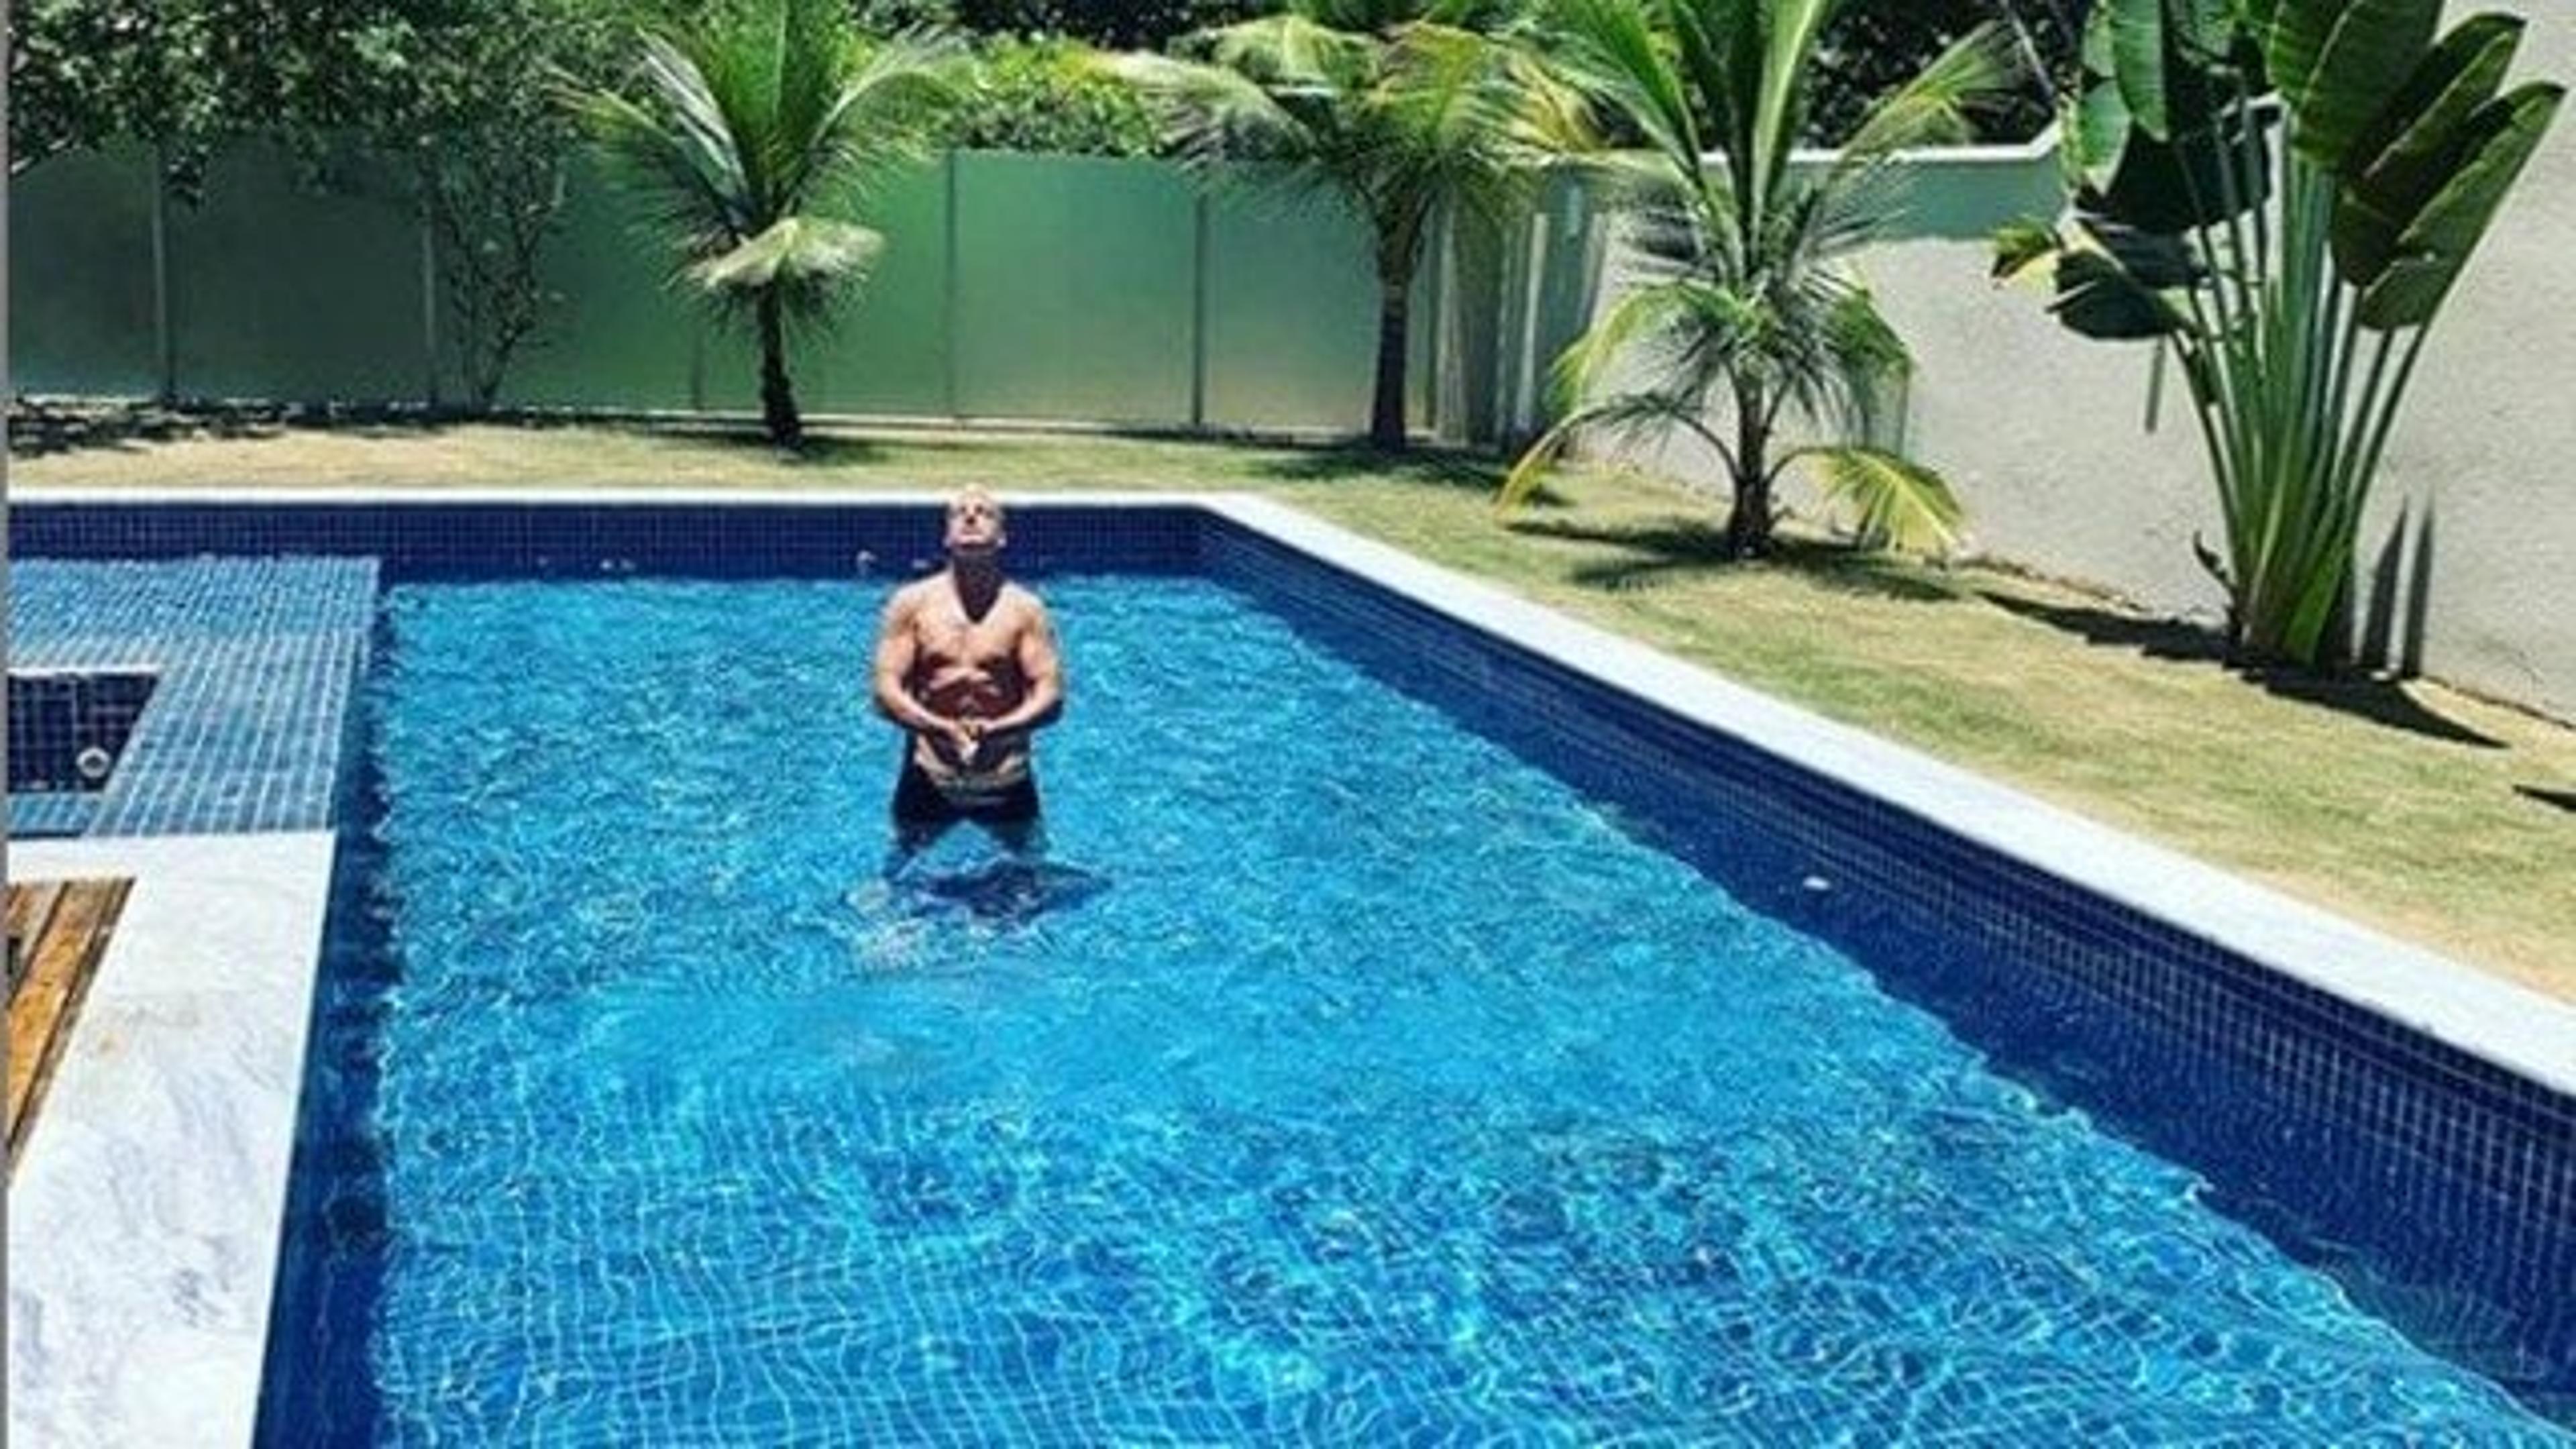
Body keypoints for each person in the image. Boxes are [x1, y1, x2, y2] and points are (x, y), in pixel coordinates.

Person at [871, 487, 1065, 855]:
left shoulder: (1026, 610)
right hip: (930, 774)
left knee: (1027, 887)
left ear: (1002, 537)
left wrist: (999, 729)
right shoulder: (911, 604)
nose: (971, 517)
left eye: (984, 512)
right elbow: (884, 692)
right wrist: (939, 728)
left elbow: (1051, 697)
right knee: (900, 883)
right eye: (961, 512)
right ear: (947, 535)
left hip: (1006, 775)